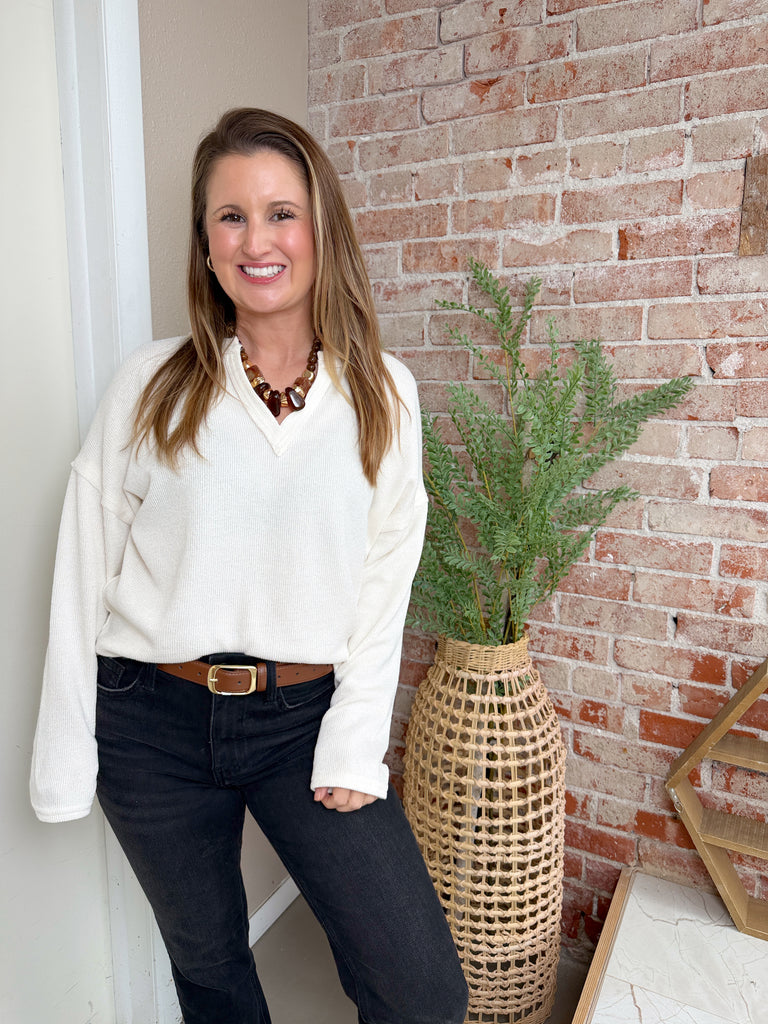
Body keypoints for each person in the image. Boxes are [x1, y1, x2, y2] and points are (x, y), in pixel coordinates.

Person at [30, 108, 469, 1024]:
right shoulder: (151, 386)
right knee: (212, 973)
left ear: (321, 230)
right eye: (230, 216)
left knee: (422, 988)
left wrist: (356, 734)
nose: (257, 239)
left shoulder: (385, 393)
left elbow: (388, 571)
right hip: (149, 722)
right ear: (205, 242)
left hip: (303, 719)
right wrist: (65, 757)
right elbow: (82, 569)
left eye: (282, 212)